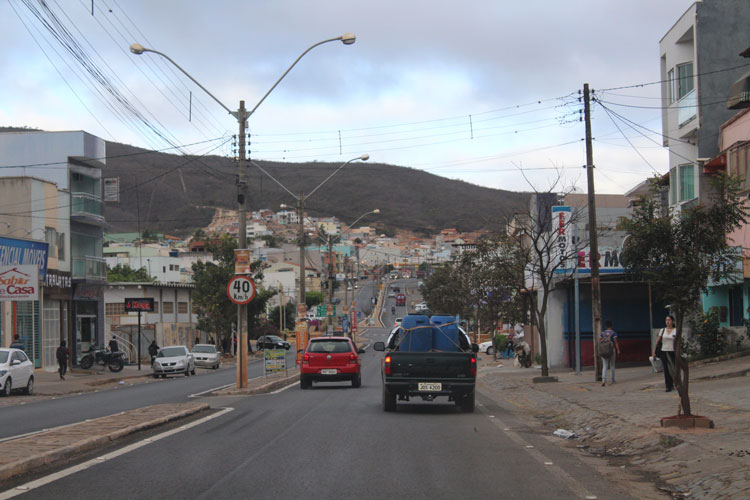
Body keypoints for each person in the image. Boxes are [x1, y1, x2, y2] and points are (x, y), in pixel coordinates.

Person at [654, 315, 676, 392]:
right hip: (664, 351)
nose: (667, 321)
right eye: (666, 320)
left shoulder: (675, 330)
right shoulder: (662, 330)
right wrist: (654, 352)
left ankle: (674, 383)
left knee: (673, 368)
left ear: (672, 321)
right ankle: (668, 385)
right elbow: (657, 341)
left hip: (673, 351)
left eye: (669, 320)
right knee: (666, 369)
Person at [600, 320, 620, 386]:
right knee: (612, 365)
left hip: (603, 350)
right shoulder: (614, 333)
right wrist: (618, 350)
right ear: (611, 326)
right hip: (611, 350)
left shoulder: (602, 333)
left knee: (605, 365)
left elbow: (600, 342)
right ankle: (612, 379)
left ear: (606, 326)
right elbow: (616, 342)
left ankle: (603, 380)